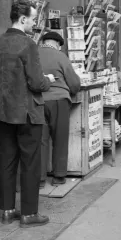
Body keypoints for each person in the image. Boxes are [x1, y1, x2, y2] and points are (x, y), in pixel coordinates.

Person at [0, 0, 55, 228]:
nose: (34, 25)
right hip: (27, 112)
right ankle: (28, 213)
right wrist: (49, 80)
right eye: (33, 20)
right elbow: (36, 83)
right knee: (30, 163)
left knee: (6, 160)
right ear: (23, 18)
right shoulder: (28, 44)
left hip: (4, 113)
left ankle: (7, 210)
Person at [38, 32, 81, 187]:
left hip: (37, 102)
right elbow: (74, 84)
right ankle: (59, 177)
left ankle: (40, 179)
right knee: (60, 139)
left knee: (40, 141)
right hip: (59, 102)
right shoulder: (61, 57)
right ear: (57, 44)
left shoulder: (32, 55)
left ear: (43, 41)